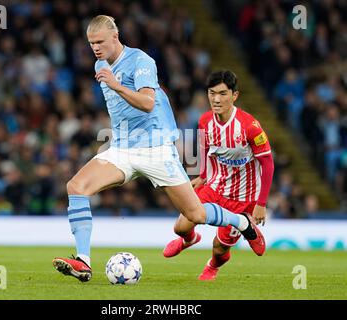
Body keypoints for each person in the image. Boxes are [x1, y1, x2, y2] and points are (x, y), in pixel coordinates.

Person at [52, 16, 264, 282]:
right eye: (91, 43)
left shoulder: (141, 61)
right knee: (76, 187)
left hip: (156, 148)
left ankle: (241, 222)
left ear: (115, 37)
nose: (95, 48)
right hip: (122, 148)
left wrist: (116, 84)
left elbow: (148, 103)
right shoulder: (100, 64)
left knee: (195, 214)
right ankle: (83, 261)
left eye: (100, 42)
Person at [163, 70, 274, 280]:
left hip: (242, 198)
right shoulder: (205, 121)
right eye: (212, 93)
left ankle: (213, 266)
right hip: (214, 187)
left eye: (223, 93)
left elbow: (267, 164)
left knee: (219, 249)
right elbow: (206, 149)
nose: (216, 99)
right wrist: (203, 175)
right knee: (180, 227)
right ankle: (189, 240)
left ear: (235, 95)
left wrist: (261, 203)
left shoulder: (250, 127)